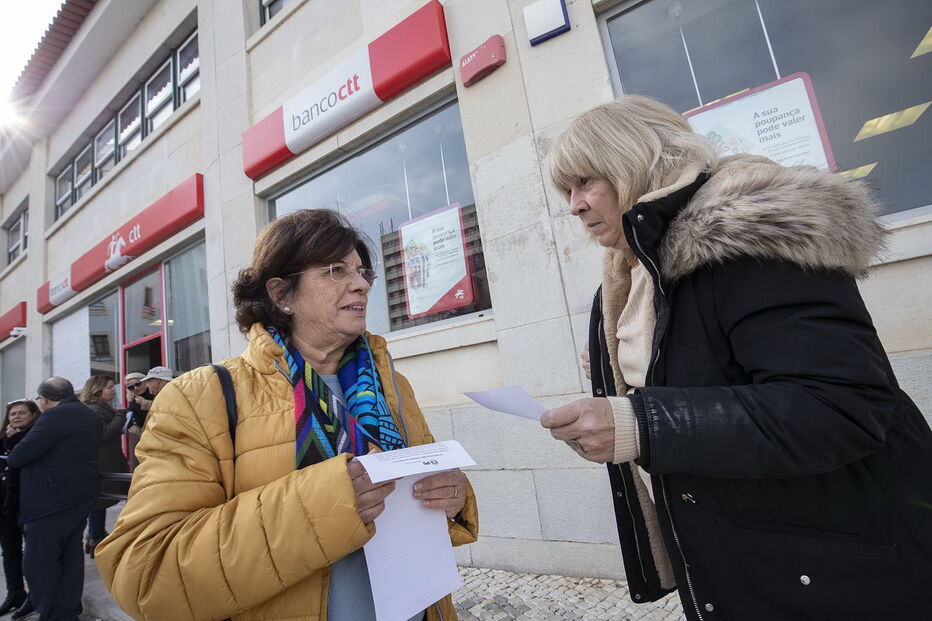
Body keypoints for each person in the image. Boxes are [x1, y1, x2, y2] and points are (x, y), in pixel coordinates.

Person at [542, 95, 932, 619]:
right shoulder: (625, 275)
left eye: (586, 181)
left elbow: (840, 407)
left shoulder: (745, 236)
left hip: (841, 563)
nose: (574, 205)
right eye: (566, 190)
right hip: (739, 556)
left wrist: (639, 423)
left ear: (634, 160)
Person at [96, 209, 479, 620]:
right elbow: (145, 573)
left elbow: (420, 486)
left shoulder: (392, 385)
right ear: (281, 295)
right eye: (336, 270)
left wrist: (454, 497)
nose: (361, 284)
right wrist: (324, 505)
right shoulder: (200, 397)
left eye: (362, 271)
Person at [8, 378, 102, 621]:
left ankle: (51, 613)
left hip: (50, 500)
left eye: (40, 400)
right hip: (79, 498)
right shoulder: (89, 415)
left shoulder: (54, 416)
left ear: (46, 399)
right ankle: (67, 612)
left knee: (39, 563)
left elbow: (18, 456)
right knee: (70, 558)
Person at [79, 376, 129, 557]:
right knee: (99, 502)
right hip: (103, 463)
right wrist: (121, 415)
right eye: (109, 387)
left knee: (99, 503)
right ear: (97, 389)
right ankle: (97, 538)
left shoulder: (99, 408)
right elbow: (104, 433)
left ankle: (95, 537)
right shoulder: (94, 410)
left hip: (108, 461)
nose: (113, 389)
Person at [0, 399, 40, 615]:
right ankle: (15, 592)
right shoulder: (4, 437)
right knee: (9, 550)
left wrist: (13, 439)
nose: (16, 416)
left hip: (29, 500)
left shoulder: (36, 435)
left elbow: (20, 459)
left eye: (21, 412)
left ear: (33, 414)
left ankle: (35, 596)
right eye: (13, 413)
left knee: (32, 551)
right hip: (6, 502)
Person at [122, 372, 151, 470]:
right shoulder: (132, 399)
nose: (136, 388)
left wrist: (145, 404)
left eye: (138, 384)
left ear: (145, 383)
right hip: (136, 435)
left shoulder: (154, 395)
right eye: (131, 387)